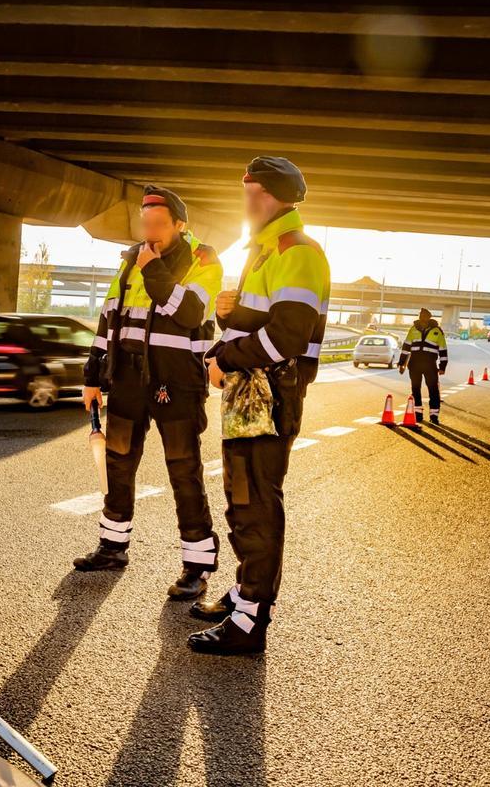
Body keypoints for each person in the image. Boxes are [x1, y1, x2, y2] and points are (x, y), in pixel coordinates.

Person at [190, 156, 331, 655]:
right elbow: (268, 320)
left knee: (255, 506)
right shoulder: (269, 252)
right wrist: (233, 316)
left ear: (266, 196)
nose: (243, 202)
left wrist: (225, 356)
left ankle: (250, 620)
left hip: (271, 397)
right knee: (241, 500)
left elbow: (289, 334)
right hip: (253, 397)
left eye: (249, 192)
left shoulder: (298, 251)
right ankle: (245, 591)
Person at [75, 185, 224, 601]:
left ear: (180, 225)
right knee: (118, 463)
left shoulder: (203, 261)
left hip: (176, 384)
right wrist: (92, 377)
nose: (151, 231)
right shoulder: (129, 261)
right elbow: (108, 321)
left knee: (183, 470)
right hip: (127, 380)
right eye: (146, 223)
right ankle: (112, 547)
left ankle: (196, 566)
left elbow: (190, 311)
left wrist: (153, 268)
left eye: (160, 224)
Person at [398, 308, 448, 423]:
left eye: (424, 316)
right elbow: (406, 347)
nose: (422, 318)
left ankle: (434, 416)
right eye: (420, 316)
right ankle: (418, 414)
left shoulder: (437, 331)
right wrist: (401, 363)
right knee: (415, 389)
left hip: (430, 365)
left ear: (429, 317)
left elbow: (443, 350)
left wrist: (442, 366)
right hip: (414, 364)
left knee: (433, 390)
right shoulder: (413, 329)